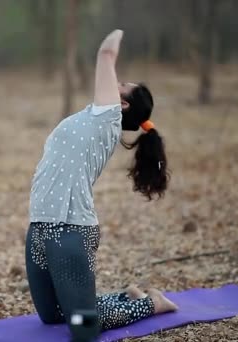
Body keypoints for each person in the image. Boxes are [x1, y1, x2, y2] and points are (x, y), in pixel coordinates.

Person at [25, 29, 178, 340]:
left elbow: (106, 54)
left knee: (84, 329)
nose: (114, 83)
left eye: (121, 86)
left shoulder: (106, 118)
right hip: (39, 226)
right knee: (51, 316)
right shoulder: (93, 118)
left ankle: (151, 304)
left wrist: (119, 31)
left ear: (121, 104)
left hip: (70, 232)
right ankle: (127, 295)